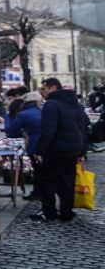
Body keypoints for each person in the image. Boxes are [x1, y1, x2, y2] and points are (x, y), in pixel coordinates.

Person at [34, 78, 90, 222]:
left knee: (46, 180)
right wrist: (82, 151)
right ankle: (66, 212)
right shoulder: (75, 104)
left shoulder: (52, 104)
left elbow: (48, 130)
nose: (42, 92)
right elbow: (83, 128)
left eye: (44, 88)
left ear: (53, 88)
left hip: (56, 149)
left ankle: (50, 212)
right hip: (73, 149)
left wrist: (40, 151)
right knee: (67, 181)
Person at [6, 91, 42, 201]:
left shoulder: (23, 114)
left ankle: (38, 192)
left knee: (37, 170)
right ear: (36, 102)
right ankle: (43, 192)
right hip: (47, 144)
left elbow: (12, 131)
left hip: (34, 145)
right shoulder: (44, 111)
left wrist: (22, 134)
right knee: (44, 170)